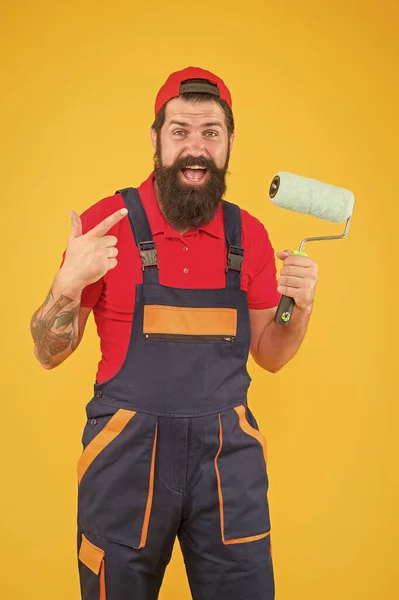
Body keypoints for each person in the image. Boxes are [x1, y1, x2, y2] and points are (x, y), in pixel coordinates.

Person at [30, 66, 318, 600]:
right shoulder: (108, 223)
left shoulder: (248, 234)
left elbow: (271, 355)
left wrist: (296, 308)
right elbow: (49, 352)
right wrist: (67, 283)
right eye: (180, 130)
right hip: (125, 461)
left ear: (230, 142)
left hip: (227, 465)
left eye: (211, 132)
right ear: (156, 138)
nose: (195, 148)